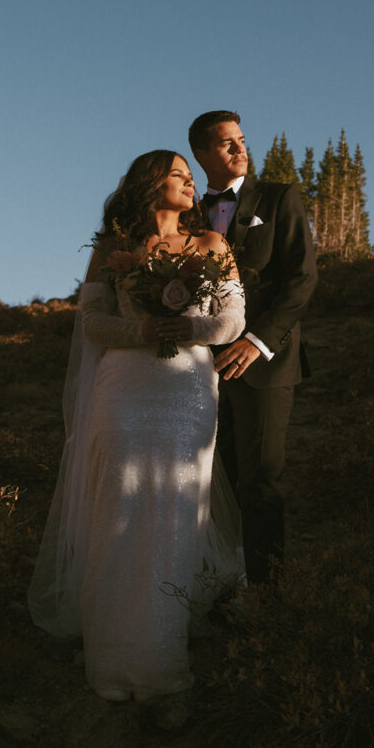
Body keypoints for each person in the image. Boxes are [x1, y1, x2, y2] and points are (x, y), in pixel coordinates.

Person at [28, 150, 245, 711]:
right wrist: (142, 328)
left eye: (190, 176)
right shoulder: (114, 251)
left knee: (174, 509)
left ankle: (161, 663)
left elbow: (232, 321)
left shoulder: (212, 245)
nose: (190, 183)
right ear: (152, 184)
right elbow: (93, 324)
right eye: (179, 174)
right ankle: (113, 663)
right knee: (117, 509)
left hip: (186, 391)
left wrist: (185, 326)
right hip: (124, 392)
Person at [189, 111, 318, 585]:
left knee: (259, 480)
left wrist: (256, 342)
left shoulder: (280, 198)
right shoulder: (189, 212)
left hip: (266, 364)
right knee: (210, 481)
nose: (240, 149)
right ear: (202, 154)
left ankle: (268, 595)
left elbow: (301, 279)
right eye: (227, 144)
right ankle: (219, 586)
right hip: (199, 367)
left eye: (241, 140)